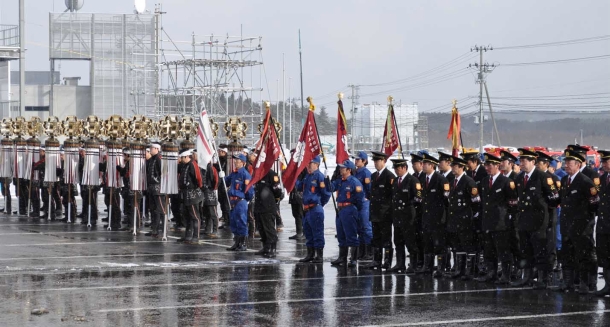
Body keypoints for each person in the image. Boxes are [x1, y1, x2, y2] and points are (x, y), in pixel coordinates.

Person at [553, 149, 599, 294]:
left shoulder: (585, 181)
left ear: (578, 165)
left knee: (583, 255)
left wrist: (585, 218)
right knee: (567, 255)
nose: (566, 166)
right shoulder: (565, 180)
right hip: (567, 225)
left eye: (569, 163)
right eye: (565, 163)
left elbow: (594, 203)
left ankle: (586, 283)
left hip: (582, 226)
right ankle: (568, 282)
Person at [510, 149, 557, 289]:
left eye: (524, 161)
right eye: (521, 161)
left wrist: (546, 218)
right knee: (525, 250)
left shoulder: (542, 177)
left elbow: (553, 199)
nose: (521, 163)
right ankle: (527, 277)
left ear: (533, 162)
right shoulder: (519, 178)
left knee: (540, 251)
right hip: (524, 220)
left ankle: (542, 279)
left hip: (539, 222)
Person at [475, 153, 517, 283]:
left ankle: (505, 274)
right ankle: (491, 272)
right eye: (486, 165)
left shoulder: (506, 182)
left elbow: (513, 202)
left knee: (503, 250)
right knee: (489, 249)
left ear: (497, 166)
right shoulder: (484, 181)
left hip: (501, 222)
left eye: (490, 165)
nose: (487, 168)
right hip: (487, 220)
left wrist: (507, 216)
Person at [445, 156, 480, 279]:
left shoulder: (468, 181)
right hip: (455, 218)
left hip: (465, 219)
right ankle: (459, 270)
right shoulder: (452, 181)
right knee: (458, 245)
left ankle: (469, 271)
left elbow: (476, 201)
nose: (452, 168)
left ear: (461, 167)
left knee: (468, 245)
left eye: (455, 166)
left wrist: (471, 215)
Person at [416, 153, 450, 277]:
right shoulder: (422, 179)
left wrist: (442, 216)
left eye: (425, 164)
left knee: (439, 244)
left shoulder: (441, 180)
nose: (423, 166)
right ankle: (427, 266)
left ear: (431, 165)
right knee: (427, 243)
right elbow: (420, 196)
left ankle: (441, 268)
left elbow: (446, 200)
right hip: (426, 217)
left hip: (438, 217)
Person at [386, 158, 421, 273]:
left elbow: (418, 198)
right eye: (395, 169)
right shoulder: (396, 181)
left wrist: (409, 207)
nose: (396, 171)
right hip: (397, 216)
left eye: (398, 168)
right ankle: (400, 264)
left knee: (410, 242)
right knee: (398, 241)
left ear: (404, 167)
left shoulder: (413, 180)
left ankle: (414, 264)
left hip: (408, 217)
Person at [362, 151, 396, 270]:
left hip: (385, 213)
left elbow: (392, 195)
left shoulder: (389, 176)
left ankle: (387, 261)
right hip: (375, 212)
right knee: (376, 237)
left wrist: (388, 210)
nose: (376, 163)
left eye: (378, 161)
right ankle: (376, 260)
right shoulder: (373, 176)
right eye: (375, 161)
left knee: (386, 238)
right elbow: (371, 194)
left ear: (384, 161)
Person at [329, 159, 364, 267]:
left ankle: (353, 259)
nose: (340, 169)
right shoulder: (340, 181)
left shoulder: (354, 182)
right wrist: (329, 179)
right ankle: (342, 257)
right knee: (341, 234)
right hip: (340, 210)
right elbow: (330, 188)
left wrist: (354, 210)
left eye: (342, 168)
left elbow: (359, 199)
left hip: (349, 209)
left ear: (349, 170)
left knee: (351, 235)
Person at [296, 156, 330, 263]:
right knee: (308, 232)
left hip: (315, 208)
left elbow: (326, 193)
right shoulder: (308, 176)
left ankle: (319, 255)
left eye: (310, 163)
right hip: (307, 209)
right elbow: (299, 186)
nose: (307, 165)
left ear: (316, 164)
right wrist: (294, 177)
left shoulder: (320, 177)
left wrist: (319, 203)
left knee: (317, 232)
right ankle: (310, 254)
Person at [535, 151, 562, 281]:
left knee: (550, 244)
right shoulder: (535, 177)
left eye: (539, 163)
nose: (536, 165)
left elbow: (556, 199)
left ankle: (550, 269)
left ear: (546, 164)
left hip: (550, 216)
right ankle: (540, 270)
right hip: (538, 218)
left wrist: (547, 207)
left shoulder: (552, 178)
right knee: (539, 245)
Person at [253, 164, 284, 258]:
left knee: (269, 228)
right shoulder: (258, 174)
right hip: (259, 205)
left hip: (268, 206)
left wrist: (274, 199)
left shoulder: (271, 174)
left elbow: (277, 191)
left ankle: (273, 248)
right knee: (261, 228)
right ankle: (266, 247)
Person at [224, 153, 254, 251]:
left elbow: (249, 190)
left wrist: (246, 200)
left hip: (240, 201)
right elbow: (227, 182)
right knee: (233, 222)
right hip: (232, 201)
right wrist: (223, 177)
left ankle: (243, 243)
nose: (236, 162)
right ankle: (237, 243)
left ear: (243, 163)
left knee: (241, 222)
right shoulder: (234, 173)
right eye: (235, 161)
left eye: (238, 161)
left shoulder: (245, 174)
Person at [178, 149, 204, 244]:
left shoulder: (193, 164)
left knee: (195, 216)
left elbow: (198, 178)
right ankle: (188, 235)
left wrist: (197, 187)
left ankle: (196, 236)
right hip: (185, 193)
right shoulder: (185, 165)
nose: (180, 159)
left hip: (192, 193)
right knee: (187, 215)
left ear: (186, 156)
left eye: (181, 157)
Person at [594, 150, 610, 297]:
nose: (604, 164)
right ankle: (608, 285)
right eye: (603, 161)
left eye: (606, 161)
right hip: (604, 224)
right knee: (604, 255)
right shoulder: (603, 178)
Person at [352, 151, 373, 260]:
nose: (356, 161)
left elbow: (369, 188)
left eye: (358, 159)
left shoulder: (366, 173)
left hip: (364, 203)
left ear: (364, 161)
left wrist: (367, 198)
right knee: (359, 228)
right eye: (355, 159)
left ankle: (369, 252)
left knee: (366, 227)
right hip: (357, 203)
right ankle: (362, 251)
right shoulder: (355, 172)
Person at [144, 143, 163, 237]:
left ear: (157, 149)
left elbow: (163, 173)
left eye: (152, 148)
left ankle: (160, 229)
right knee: (152, 208)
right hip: (151, 187)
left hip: (157, 187)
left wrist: (158, 181)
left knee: (158, 209)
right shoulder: (151, 160)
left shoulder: (159, 159)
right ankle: (154, 229)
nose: (150, 149)